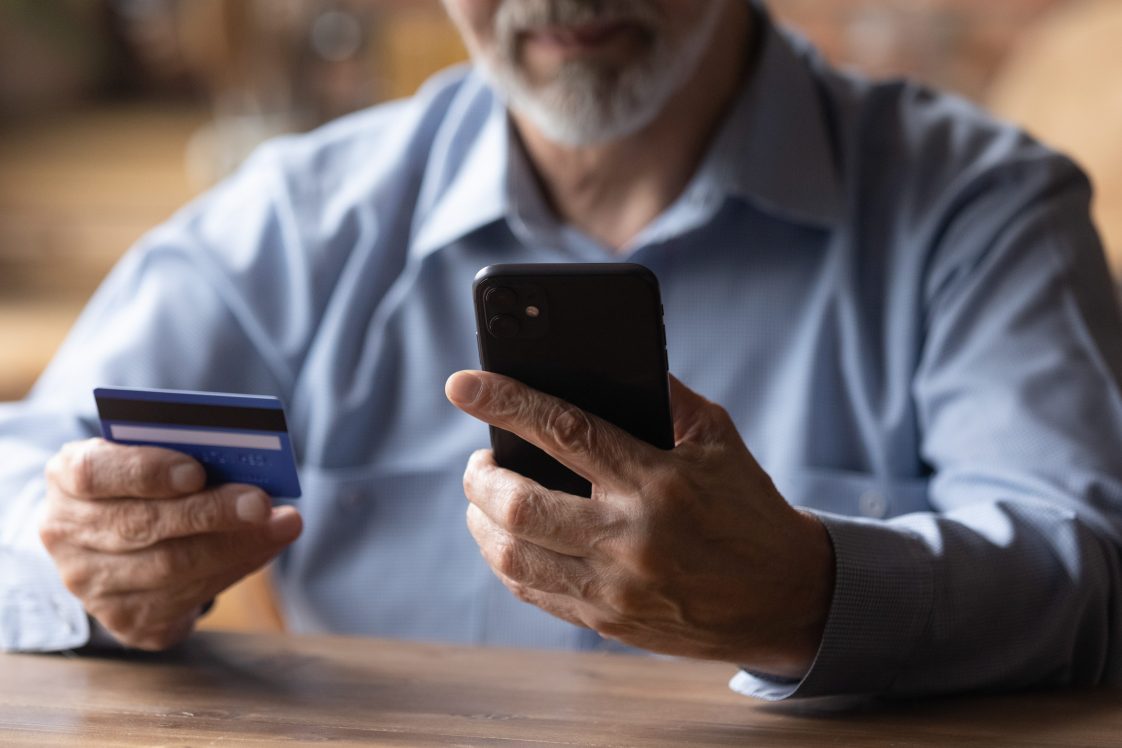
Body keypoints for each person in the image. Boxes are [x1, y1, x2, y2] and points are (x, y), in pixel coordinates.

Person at [3, 0, 1121, 701]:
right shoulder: (299, 222)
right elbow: (23, 483)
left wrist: (811, 593)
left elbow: (1092, 568)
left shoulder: (982, 211)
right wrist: (82, 557)